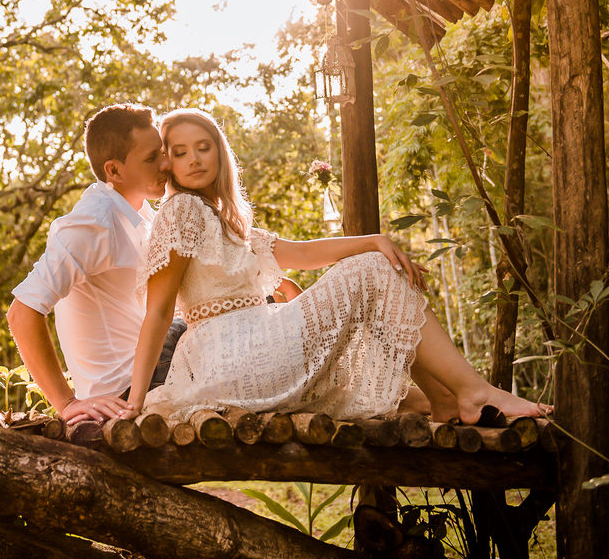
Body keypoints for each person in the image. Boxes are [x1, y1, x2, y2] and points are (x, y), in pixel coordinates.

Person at [125, 108, 551, 424]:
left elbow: (304, 253)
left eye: (204, 147)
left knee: (375, 271)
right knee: (372, 272)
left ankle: (446, 399)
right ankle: (472, 391)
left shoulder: (223, 220)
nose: (195, 159)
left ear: (220, 154)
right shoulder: (181, 210)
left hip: (251, 350)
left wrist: (375, 239)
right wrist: (135, 401)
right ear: (169, 164)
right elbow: (160, 312)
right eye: (180, 152)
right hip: (234, 354)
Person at [7, 103, 185, 425]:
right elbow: (22, 312)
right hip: (126, 388)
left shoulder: (141, 211)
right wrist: (67, 403)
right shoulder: (94, 223)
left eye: (162, 152)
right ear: (114, 171)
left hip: (152, 360)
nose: (166, 163)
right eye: (151, 158)